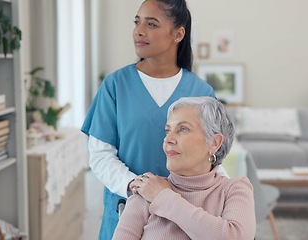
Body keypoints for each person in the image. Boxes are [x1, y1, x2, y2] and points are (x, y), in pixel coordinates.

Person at [81, 0, 227, 239]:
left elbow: (211, 157)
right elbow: (100, 155)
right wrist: (138, 187)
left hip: (182, 216)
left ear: (178, 33)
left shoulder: (202, 92)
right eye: (137, 22)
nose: (139, 31)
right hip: (124, 212)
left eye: (151, 24)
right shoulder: (115, 85)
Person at [113, 96, 256, 239]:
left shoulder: (235, 189)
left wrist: (163, 198)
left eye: (183, 129)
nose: (168, 139)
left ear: (214, 142)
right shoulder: (146, 192)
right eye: (168, 130)